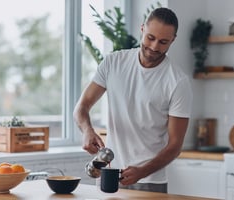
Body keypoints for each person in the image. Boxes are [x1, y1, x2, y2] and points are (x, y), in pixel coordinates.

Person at [73, 7, 192, 193]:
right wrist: (87, 130)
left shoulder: (177, 82)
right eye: (150, 38)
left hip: (150, 180)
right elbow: (82, 107)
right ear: (142, 28)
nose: (154, 47)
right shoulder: (113, 63)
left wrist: (142, 172)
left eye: (163, 42)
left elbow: (175, 146)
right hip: (109, 173)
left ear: (173, 40)